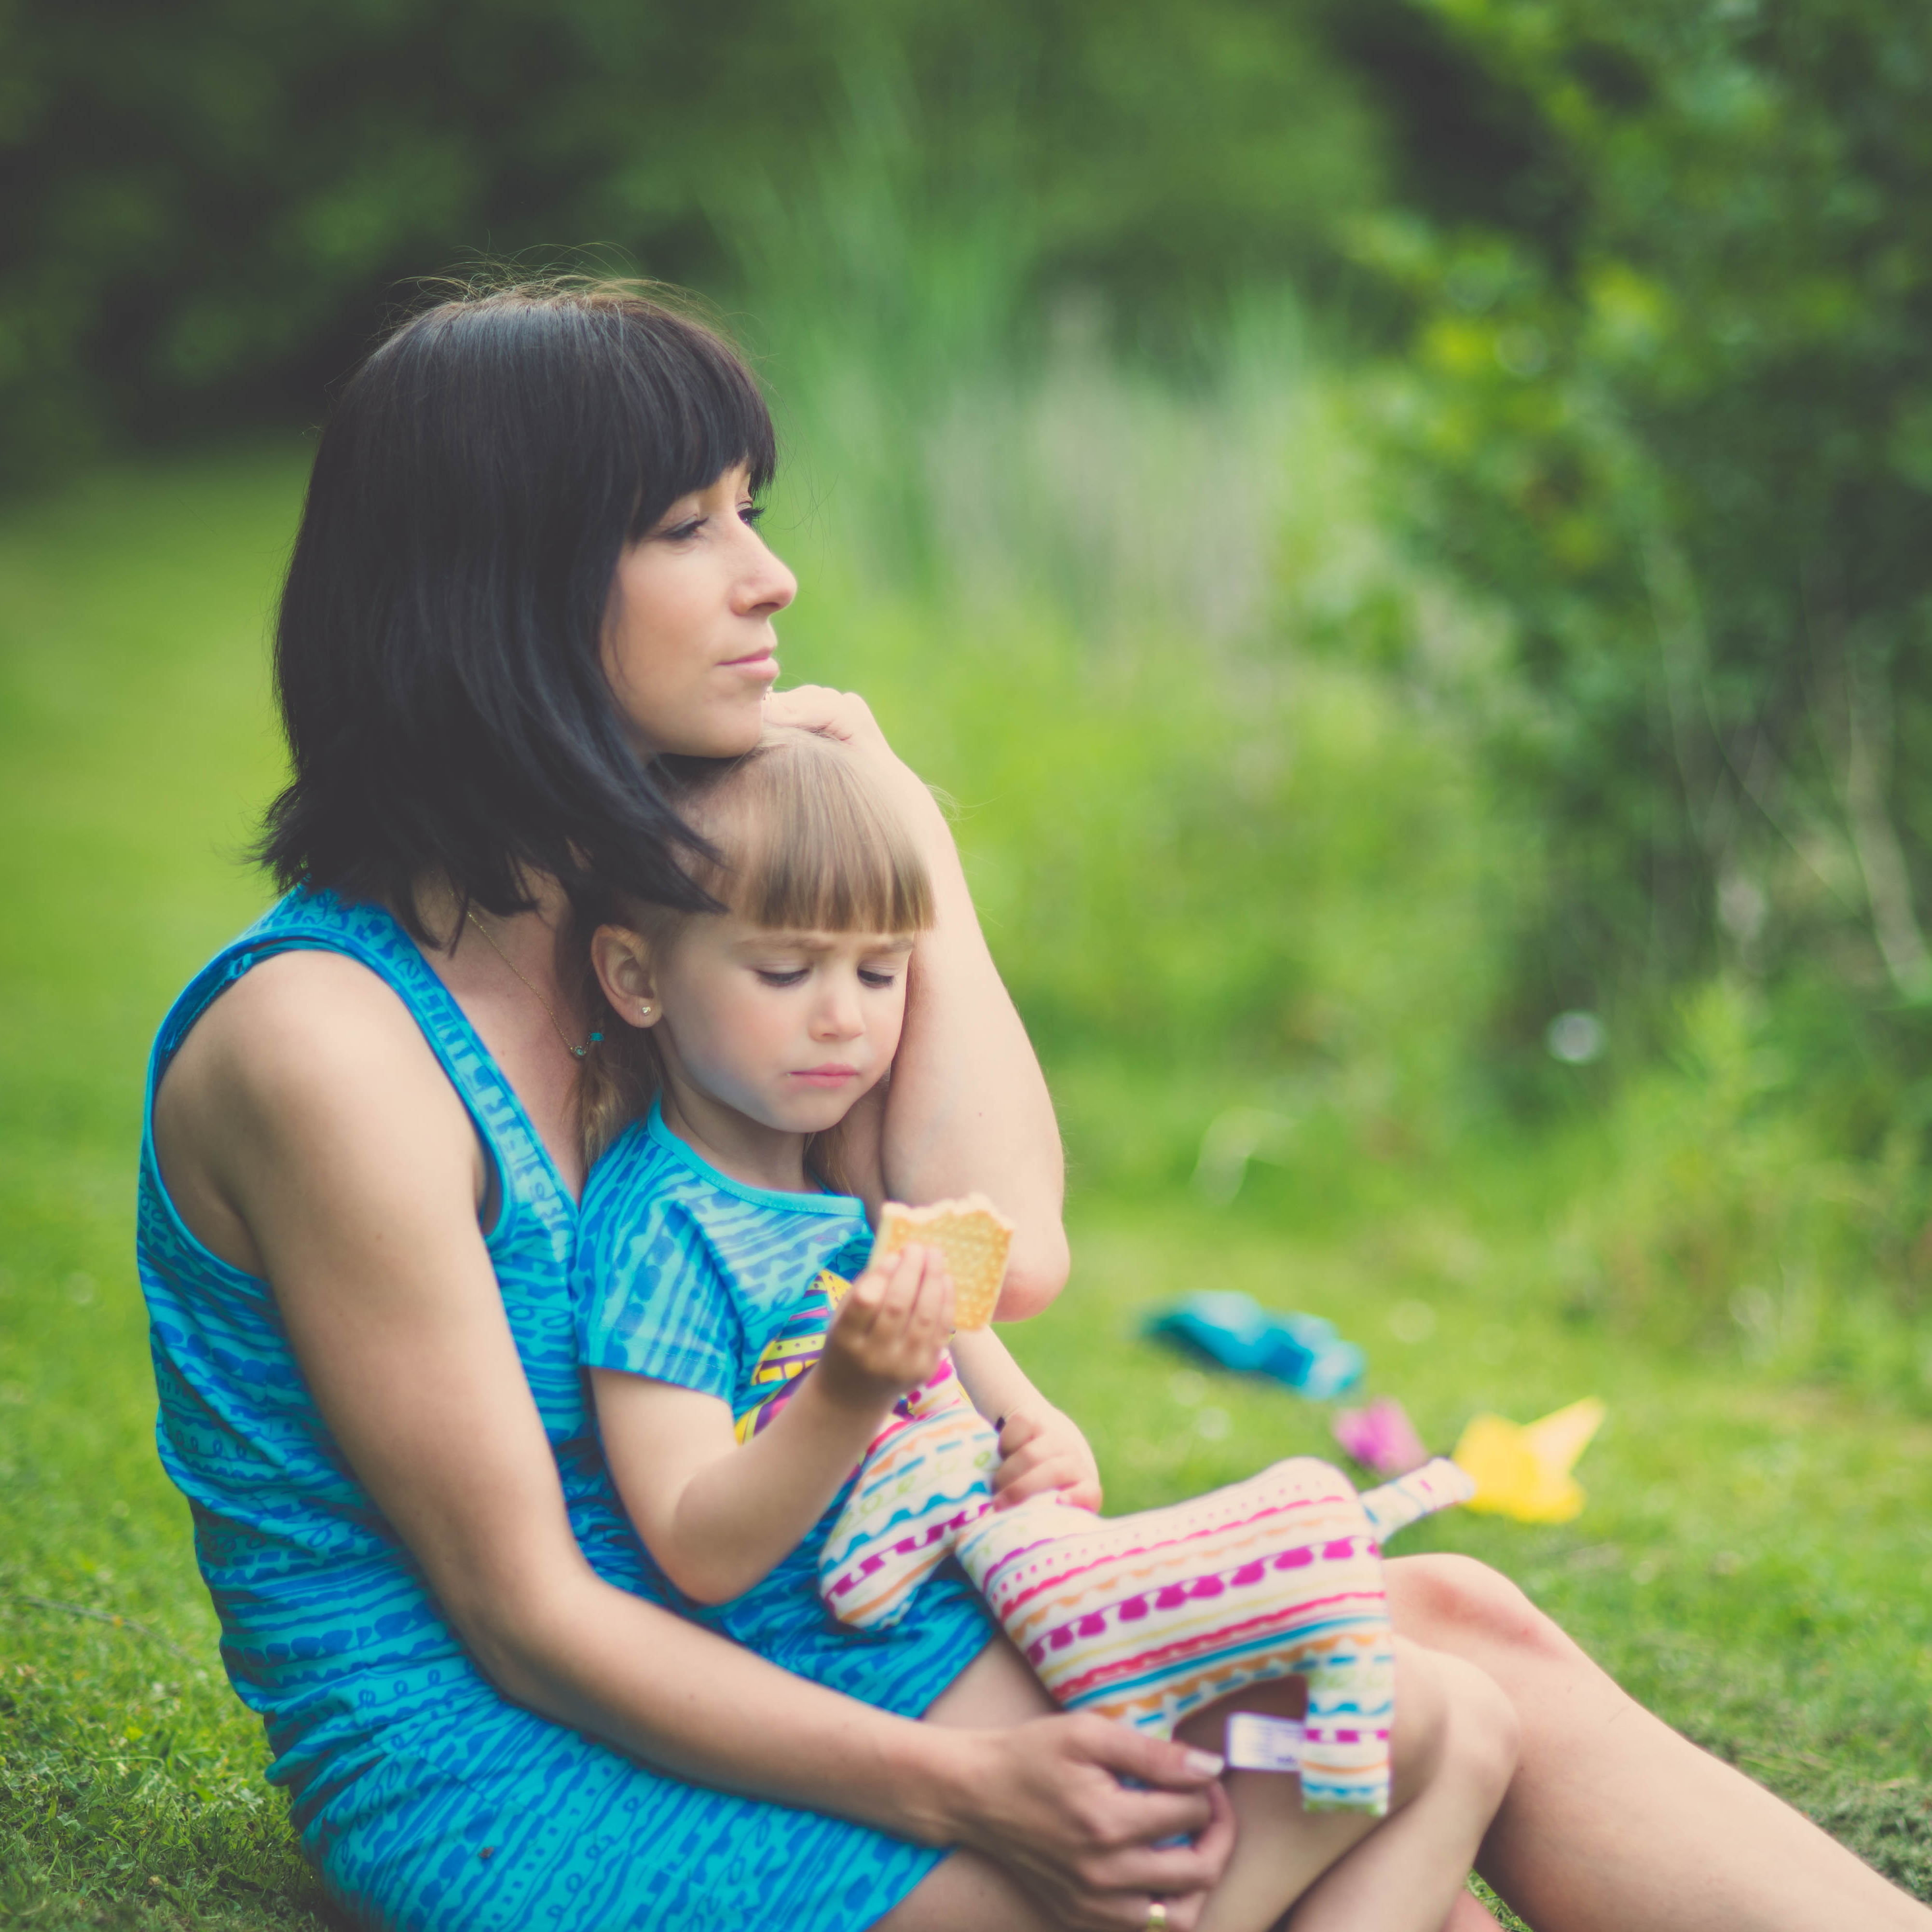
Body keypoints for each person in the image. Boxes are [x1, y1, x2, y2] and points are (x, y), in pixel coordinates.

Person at [140, 277, 1932, 1932]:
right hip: (528, 1771)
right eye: (687, 529)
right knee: (1372, 1750)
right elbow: (521, 1618)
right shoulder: (335, 1044)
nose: (765, 577)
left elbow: (1002, 1243)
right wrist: (967, 1782)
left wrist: (908, 833)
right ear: (501, 594)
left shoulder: (673, 932)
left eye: (751, 512)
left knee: (1444, 1634)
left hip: (777, 1639)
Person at [568, 725, 1509, 1932]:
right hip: (884, 1689)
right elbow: (697, 1545)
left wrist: (1042, 1446)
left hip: (1015, 1628)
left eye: (876, 971)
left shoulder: (844, 1197)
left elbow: (1003, 1409)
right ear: (637, 977)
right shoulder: (663, 1229)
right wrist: (846, 1396)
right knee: (1421, 1726)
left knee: (1465, 1727)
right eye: (786, 970)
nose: (843, 1019)